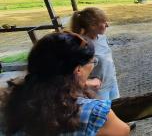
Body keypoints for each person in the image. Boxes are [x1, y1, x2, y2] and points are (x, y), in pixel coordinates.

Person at [1, 32, 129, 135]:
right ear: (78, 70)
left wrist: (77, 85)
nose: (92, 66)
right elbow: (123, 131)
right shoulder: (93, 111)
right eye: (92, 62)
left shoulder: (9, 104)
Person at [71, 7, 120, 100]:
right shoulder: (81, 45)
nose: (107, 25)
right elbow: (71, 76)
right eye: (104, 22)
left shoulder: (102, 38)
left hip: (112, 83)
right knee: (104, 113)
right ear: (92, 25)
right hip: (98, 91)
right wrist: (88, 82)